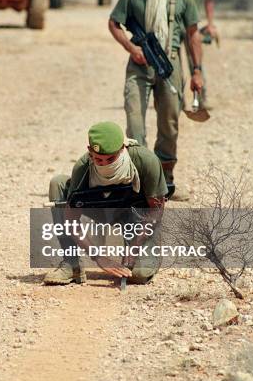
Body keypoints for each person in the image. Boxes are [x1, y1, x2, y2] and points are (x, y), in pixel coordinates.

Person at [108, 0, 202, 201]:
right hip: (139, 65)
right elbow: (114, 23)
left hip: (169, 66)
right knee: (135, 124)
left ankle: (166, 179)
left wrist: (197, 71)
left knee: (169, 124)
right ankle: (141, 180)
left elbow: (193, 35)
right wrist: (131, 48)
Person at [43, 121, 167, 285]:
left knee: (138, 274)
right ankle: (71, 264)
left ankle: (149, 251)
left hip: (135, 217)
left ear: (122, 148)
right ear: (89, 152)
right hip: (100, 210)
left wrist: (135, 245)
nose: (104, 164)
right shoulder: (83, 167)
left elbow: (156, 208)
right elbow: (71, 220)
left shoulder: (145, 160)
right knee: (58, 183)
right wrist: (98, 257)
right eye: (98, 159)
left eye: (110, 158)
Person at [175, 0, 217, 108]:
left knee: (195, 63)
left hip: (193, 25)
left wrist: (211, 23)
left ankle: (200, 98)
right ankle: (177, 101)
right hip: (174, 25)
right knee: (174, 64)